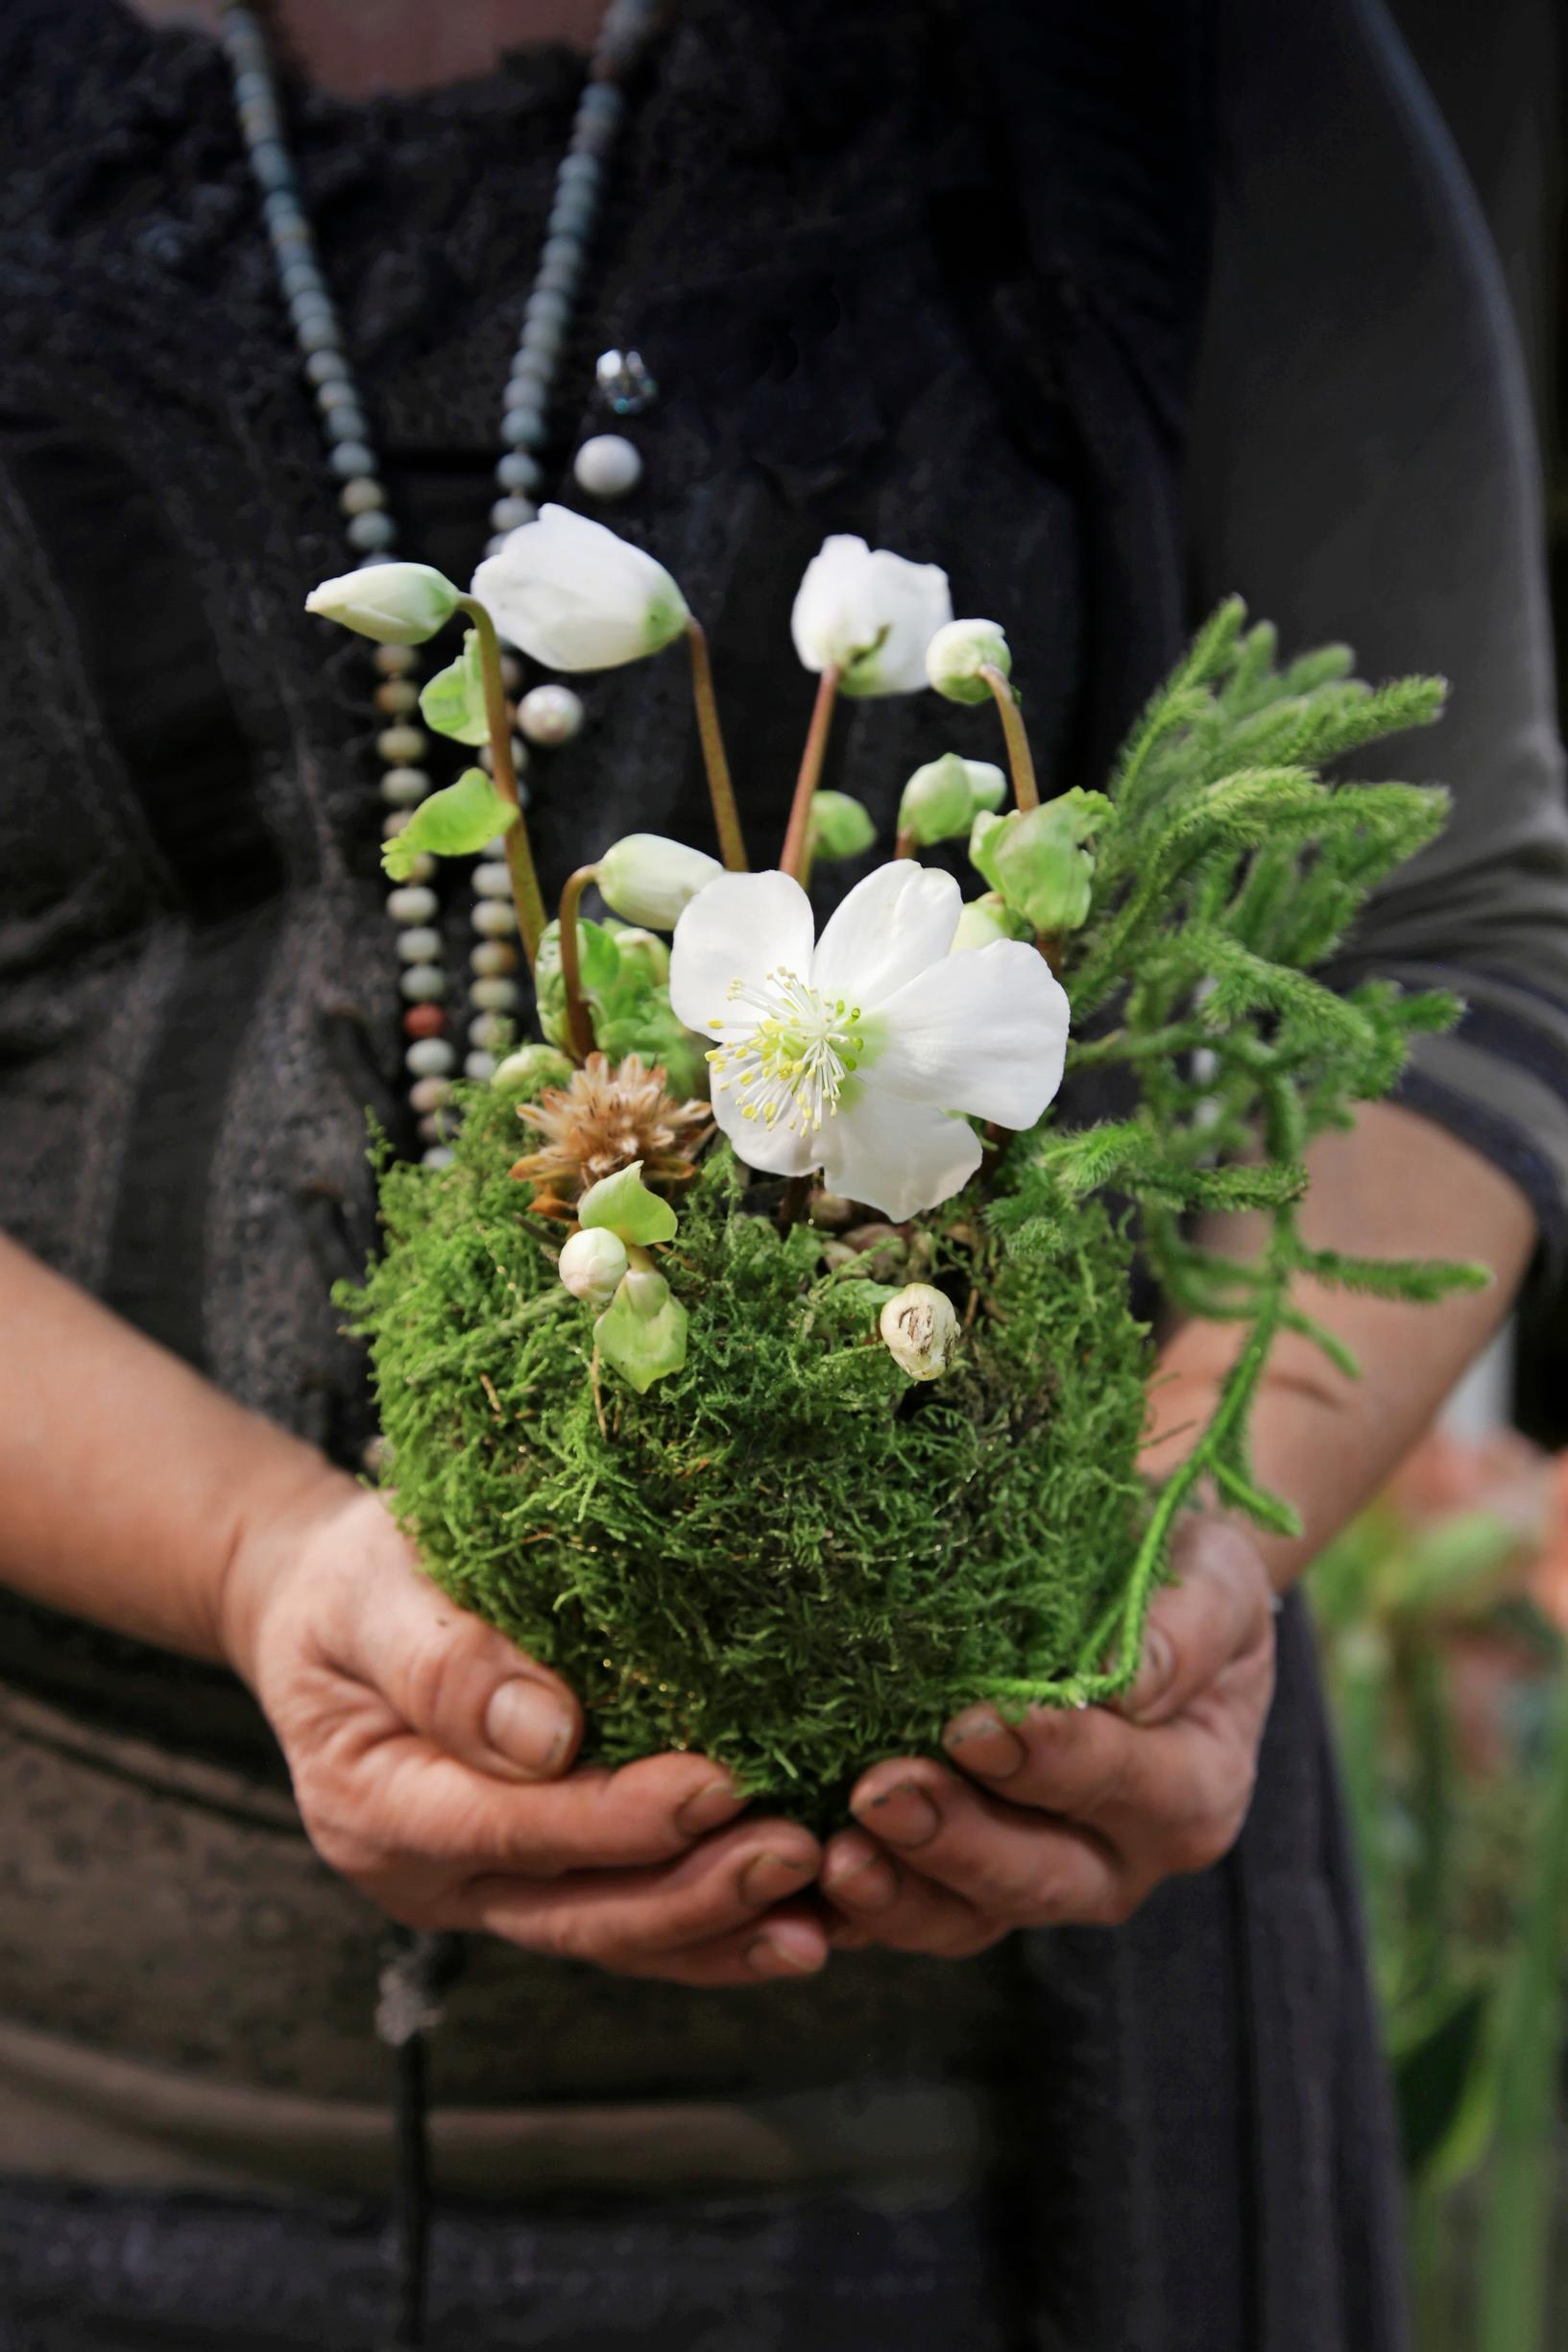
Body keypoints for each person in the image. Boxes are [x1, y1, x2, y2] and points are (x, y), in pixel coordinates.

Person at [2, 0, 1565, 2344]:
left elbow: (1446, 934)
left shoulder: (1200, 67)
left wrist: (1188, 1539)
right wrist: (249, 1555)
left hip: (967, 2169)